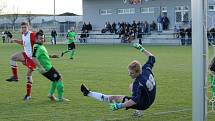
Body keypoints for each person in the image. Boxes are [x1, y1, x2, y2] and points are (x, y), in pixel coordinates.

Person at [81, 43, 156, 117]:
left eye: (131, 73)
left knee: (113, 98)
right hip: (151, 97)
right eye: (129, 72)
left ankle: (88, 93)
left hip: (144, 104)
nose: (129, 74)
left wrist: (119, 106)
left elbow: (134, 101)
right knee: (131, 86)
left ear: (137, 71)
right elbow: (152, 57)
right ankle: (138, 110)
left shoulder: (138, 83)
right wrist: (141, 49)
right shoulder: (146, 68)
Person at [32, 31, 69, 101]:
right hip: (46, 68)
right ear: (36, 39)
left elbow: (42, 56)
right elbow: (33, 57)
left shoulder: (40, 46)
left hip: (47, 67)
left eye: (43, 38)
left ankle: (50, 95)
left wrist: (51, 56)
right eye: (40, 38)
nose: (42, 40)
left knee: (55, 80)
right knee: (59, 78)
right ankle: (61, 98)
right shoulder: (37, 47)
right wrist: (41, 67)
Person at [6, 22, 36, 101]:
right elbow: (23, 43)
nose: (23, 29)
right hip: (25, 55)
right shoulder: (23, 35)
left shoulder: (32, 34)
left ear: (28, 27)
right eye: (22, 27)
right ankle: (15, 76)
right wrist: (15, 40)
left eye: (25, 27)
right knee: (12, 58)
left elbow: (39, 43)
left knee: (28, 75)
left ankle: (28, 95)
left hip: (32, 59)